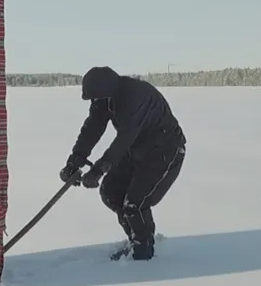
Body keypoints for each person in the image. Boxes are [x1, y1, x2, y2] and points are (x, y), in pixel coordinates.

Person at [59, 66, 186, 260]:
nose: (95, 102)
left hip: (165, 151)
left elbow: (125, 137)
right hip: (137, 149)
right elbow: (93, 127)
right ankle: (136, 238)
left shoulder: (135, 96)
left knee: (135, 203)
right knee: (111, 192)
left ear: (107, 91)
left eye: (96, 98)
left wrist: (99, 169)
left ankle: (143, 255)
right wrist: (75, 160)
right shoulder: (104, 98)